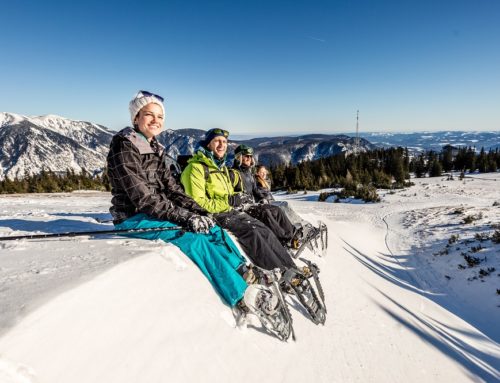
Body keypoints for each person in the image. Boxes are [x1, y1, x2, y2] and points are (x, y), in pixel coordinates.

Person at [106, 91, 290, 338]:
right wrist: (183, 217)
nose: (155, 120)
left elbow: (172, 189)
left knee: (212, 228)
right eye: (149, 114)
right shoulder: (124, 146)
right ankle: (242, 296)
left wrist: (200, 211)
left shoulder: (154, 148)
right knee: (194, 239)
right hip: (133, 217)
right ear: (136, 117)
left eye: (159, 116)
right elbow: (142, 197)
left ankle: (243, 270)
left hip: (156, 211)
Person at [180, 128, 327, 324]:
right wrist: (230, 202)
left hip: (229, 210)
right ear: (208, 144)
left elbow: (230, 194)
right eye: (217, 141)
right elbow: (196, 201)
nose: (222, 144)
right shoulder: (197, 168)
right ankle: (278, 271)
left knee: (263, 229)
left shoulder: (221, 168)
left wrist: (235, 200)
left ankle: (290, 268)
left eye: (224, 141)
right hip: (213, 214)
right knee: (252, 232)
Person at [230, 145, 299, 248]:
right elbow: (229, 193)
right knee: (265, 213)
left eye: (250, 156)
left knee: (276, 209)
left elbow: (256, 190)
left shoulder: (249, 174)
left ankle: (293, 234)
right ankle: (285, 239)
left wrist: (264, 198)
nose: (249, 158)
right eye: (246, 156)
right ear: (239, 157)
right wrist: (239, 200)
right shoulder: (234, 174)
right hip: (242, 208)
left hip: (252, 204)